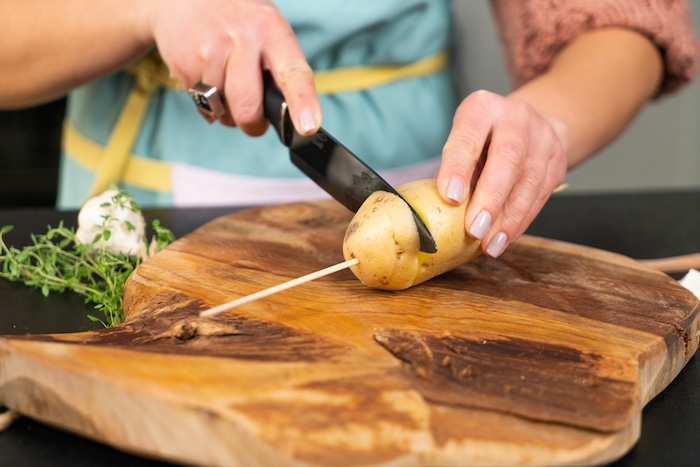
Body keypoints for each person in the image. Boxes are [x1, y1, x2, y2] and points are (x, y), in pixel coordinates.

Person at [0, 0, 697, 259]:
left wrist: (546, 123)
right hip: (140, 229)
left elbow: (623, 20)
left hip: (430, 192)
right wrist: (147, 9)